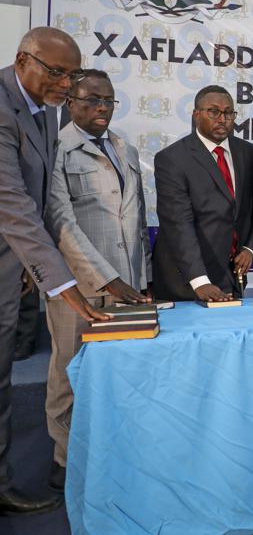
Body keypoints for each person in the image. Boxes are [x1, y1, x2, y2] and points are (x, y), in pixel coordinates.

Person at [0, 27, 106, 515]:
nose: (65, 84)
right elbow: (13, 202)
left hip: (14, 268)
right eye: (57, 72)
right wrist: (61, 280)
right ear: (24, 60)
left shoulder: (44, 111)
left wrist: (28, 267)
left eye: (71, 74)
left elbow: (38, 194)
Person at [43, 69, 151, 491]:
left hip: (126, 287)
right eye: (91, 100)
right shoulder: (57, 150)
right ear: (70, 102)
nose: (101, 108)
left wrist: (142, 279)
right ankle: (64, 460)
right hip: (78, 289)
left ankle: (111, 453)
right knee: (69, 373)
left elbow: (138, 220)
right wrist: (106, 280)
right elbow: (61, 222)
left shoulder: (124, 148)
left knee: (116, 375)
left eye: (108, 101)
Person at [152, 85, 253, 301]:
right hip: (186, 281)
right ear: (196, 115)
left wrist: (250, 248)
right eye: (213, 112)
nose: (222, 119)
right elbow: (179, 224)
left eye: (228, 112)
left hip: (233, 276)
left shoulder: (248, 153)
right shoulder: (172, 159)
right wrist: (200, 280)